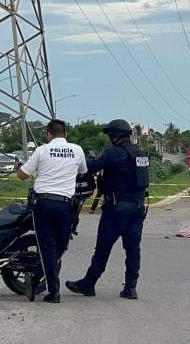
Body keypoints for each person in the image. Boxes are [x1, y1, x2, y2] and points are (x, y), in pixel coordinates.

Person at [66, 119, 149, 300]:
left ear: (114, 135)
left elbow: (89, 167)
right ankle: (130, 287)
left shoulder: (114, 153)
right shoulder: (140, 154)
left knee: (102, 248)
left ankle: (89, 283)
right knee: (133, 248)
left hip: (117, 208)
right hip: (138, 208)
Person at [16, 120, 87, 303]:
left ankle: (43, 282)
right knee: (61, 246)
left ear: (48, 134)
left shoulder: (42, 150)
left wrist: (19, 167)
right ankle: (51, 288)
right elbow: (83, 171)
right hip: (65, 206)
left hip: (44, 205)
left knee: (47, 247)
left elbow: (23, 175)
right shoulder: (77, 150)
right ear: (66, 134)